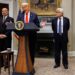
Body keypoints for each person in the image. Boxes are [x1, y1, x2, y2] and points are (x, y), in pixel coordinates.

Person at [17, 2, 40, 73]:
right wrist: (17, 33)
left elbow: (37, 25)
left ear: (28, 7)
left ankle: (31, 66)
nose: (24, 8)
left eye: (25, 7)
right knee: (23, 51)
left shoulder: (34, 15)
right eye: (22, 7)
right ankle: (23, 65)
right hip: (23, 36)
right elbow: (17, 25)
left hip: (32, 36)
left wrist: (33, 27)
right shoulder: (20, 15)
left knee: (31, 51)